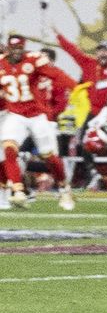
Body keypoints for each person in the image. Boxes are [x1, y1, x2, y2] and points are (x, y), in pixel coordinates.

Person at [0, 30, 70, 207]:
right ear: (8, 48)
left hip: (37, 116)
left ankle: (64, 187)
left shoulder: (33, 60)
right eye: (14, 47)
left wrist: (76, 87)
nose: (17, 51)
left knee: (50, 157)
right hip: (15, 115)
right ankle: (17, 191)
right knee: (9, 149)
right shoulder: (1, 64)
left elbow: (57, 75)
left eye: (20, 48)